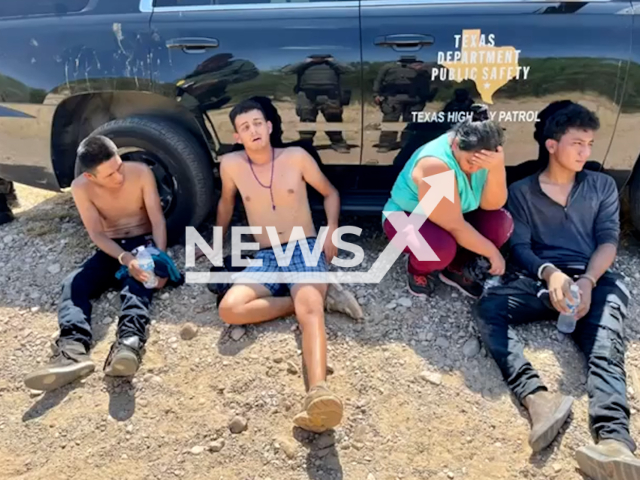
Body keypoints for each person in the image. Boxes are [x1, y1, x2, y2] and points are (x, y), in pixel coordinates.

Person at [474, 103, 640, 479]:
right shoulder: (521, 192)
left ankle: (614, 442)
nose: (585, 152)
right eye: (577, 143)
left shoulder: (602, 186)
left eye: (590, 144)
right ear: (551, 144)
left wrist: (586, 281)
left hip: (593, 281)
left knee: (605, 347)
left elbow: (608, 241)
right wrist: (550, 275)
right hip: (541, 281)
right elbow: (520, 248)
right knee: (488, 310)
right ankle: (538, 397)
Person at [214, 99, 358, 433]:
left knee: (310, 314)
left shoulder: (296, 157)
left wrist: (332, 230)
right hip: (266, 254)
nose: (253, 130)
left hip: (304, 247)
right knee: (230, 309)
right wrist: (212, 243)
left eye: (257, 123)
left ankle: (319, 392)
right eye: (245, 127)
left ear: (269, 127)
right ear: (237, 136)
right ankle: (318, 296)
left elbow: (330, 192)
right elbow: (226, 203)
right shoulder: (231, 164)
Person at [24, 135, 180, 391]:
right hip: (112, 248)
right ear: (90, 177)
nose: (119, 177)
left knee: (137, 284)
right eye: (110, 175)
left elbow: (157, 219)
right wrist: (124, 257)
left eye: (119, 167)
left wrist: (158, 258)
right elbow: (96, 234)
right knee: (74, 285)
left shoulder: (140, 172)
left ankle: (128, 344)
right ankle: (72, 351)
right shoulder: (80, 188)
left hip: (144, 243)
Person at [382, 104, 513, 299]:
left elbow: (492, 205)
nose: (475, 169)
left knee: (500, 222)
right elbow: (454, 225)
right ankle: (417, 268)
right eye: (470, 163)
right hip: (408, 216)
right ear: (455, 144)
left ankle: (456, 267)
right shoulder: (435, 165)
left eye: (482, 165)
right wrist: (492, 252)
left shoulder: (485, 155)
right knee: (439, 249)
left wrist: (496, 168)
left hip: (454, 213)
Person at [282, 54, 352, 153]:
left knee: (333, 119)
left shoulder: (333, 64)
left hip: (330, 95)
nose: (319, 58)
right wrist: (306, 62)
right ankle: (305, 145)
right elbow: (286, 70)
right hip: (306, 94)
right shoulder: (304, 64)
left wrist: (332, 61)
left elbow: (349, 70)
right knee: (306, 120)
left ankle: (338, 143)